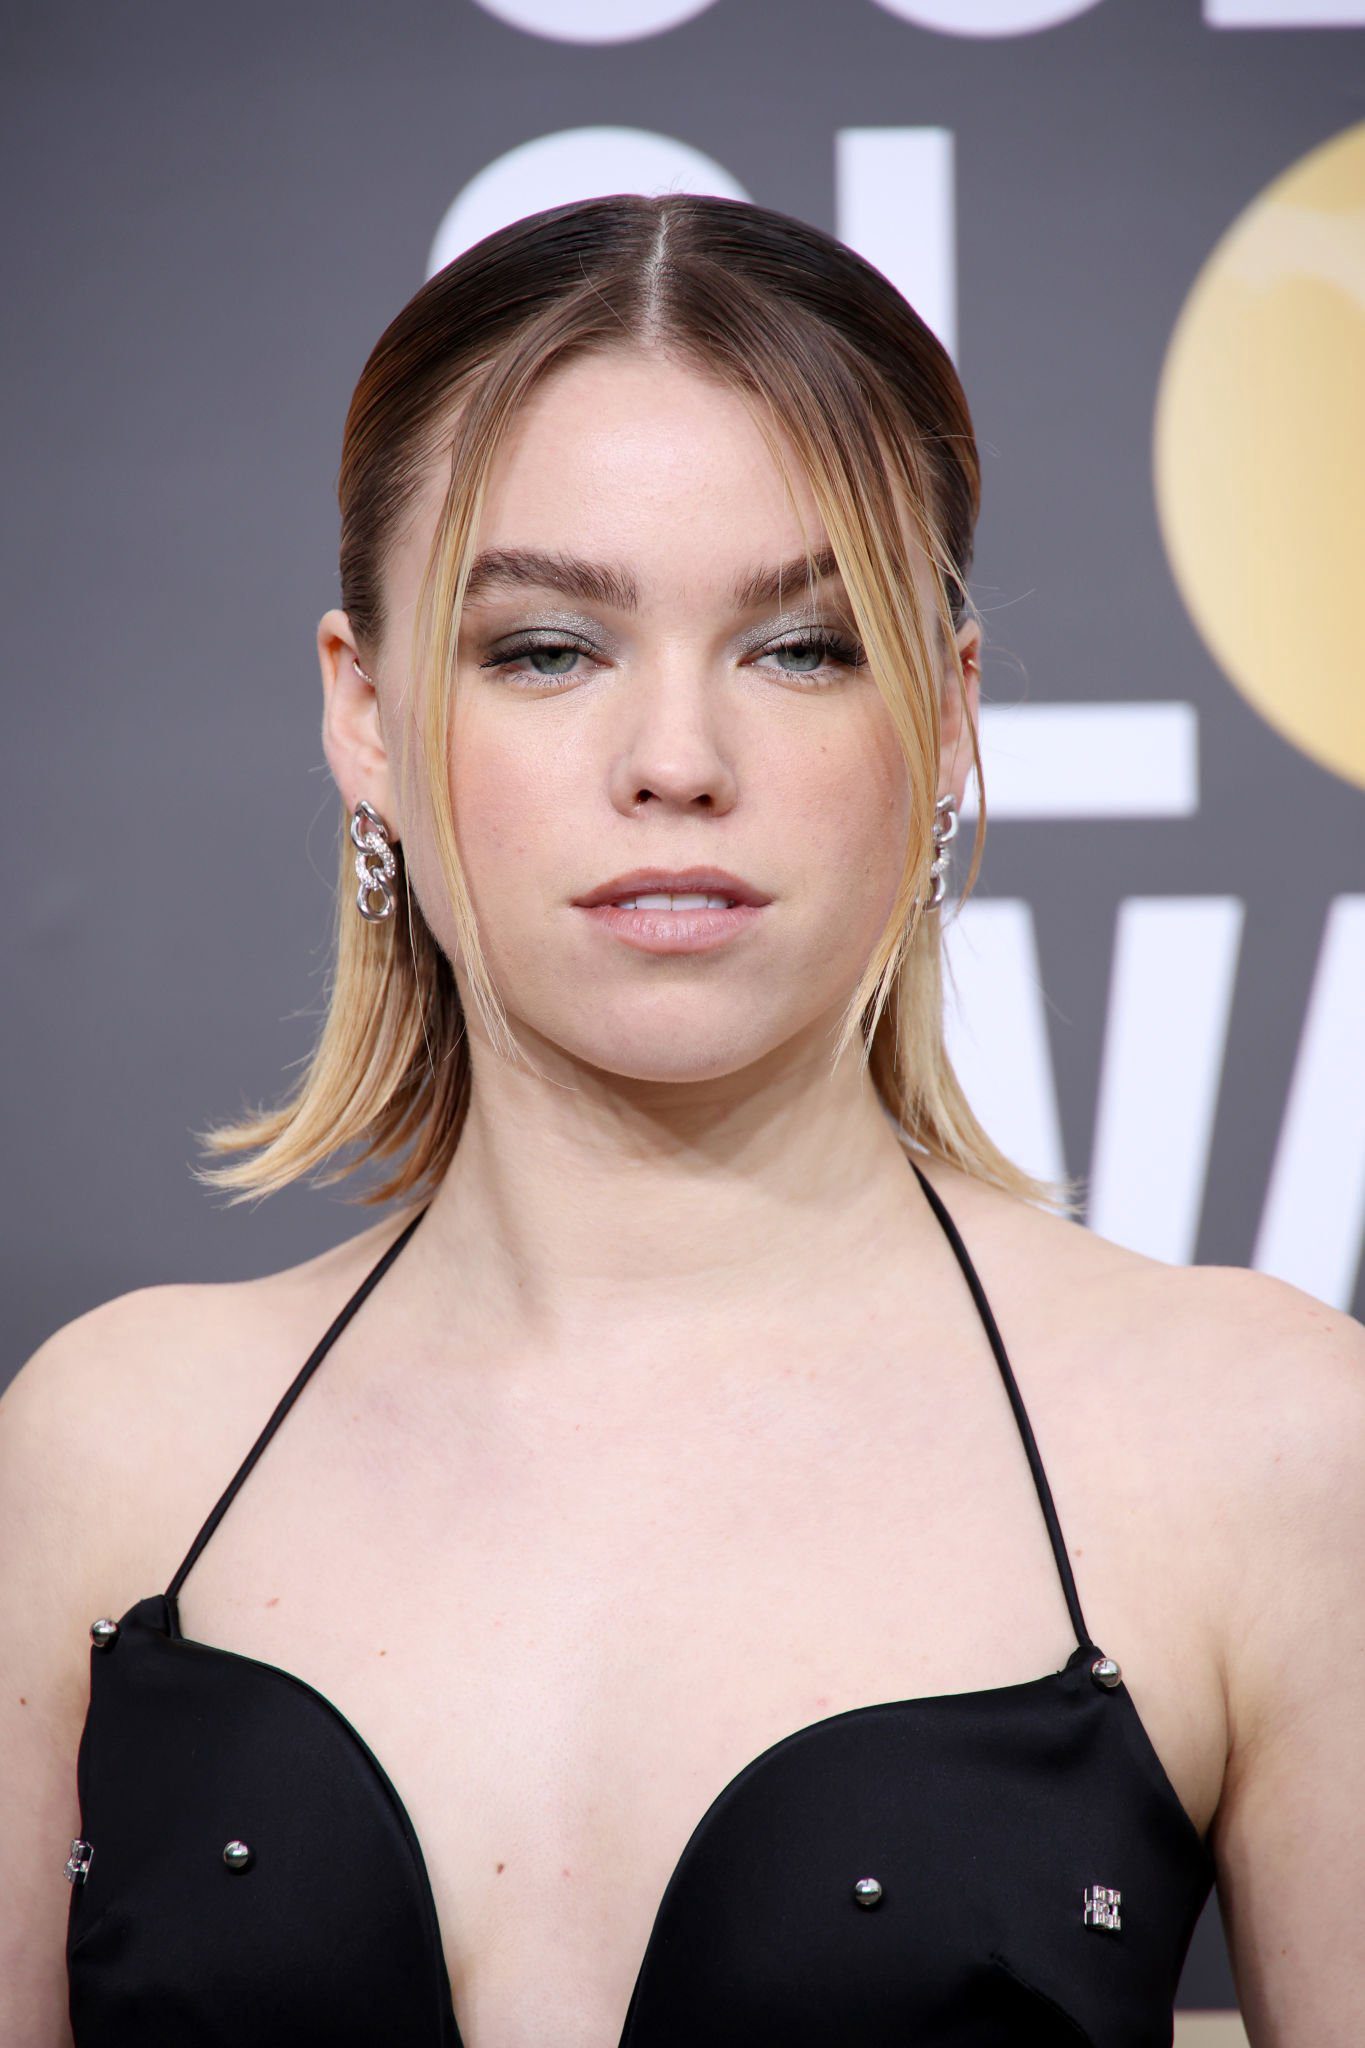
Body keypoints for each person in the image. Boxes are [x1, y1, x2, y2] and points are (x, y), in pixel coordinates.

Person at [2, 193, 1361, 2048]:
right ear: (366, 713)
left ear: (945, 718)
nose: (675, 762)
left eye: (799, 647)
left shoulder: (1259, 1447)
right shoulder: (112, 1456)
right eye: (544, 649)